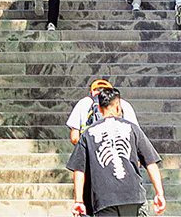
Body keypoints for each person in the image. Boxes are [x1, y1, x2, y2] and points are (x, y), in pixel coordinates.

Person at [69, 85, 166, 216]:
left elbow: (79, 170)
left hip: (104, 199)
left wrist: (79, 201)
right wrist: (159, 193)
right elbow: (151, 163)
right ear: (119, 107)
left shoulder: (88, 133)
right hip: (133, 196)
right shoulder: (132, 129)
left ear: (99, 108)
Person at [66, 77, 139, 145]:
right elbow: (136, 135)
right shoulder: (123, 104)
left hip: (92, 154)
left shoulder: (83, 103)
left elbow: (74, 137)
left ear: (92, 92)